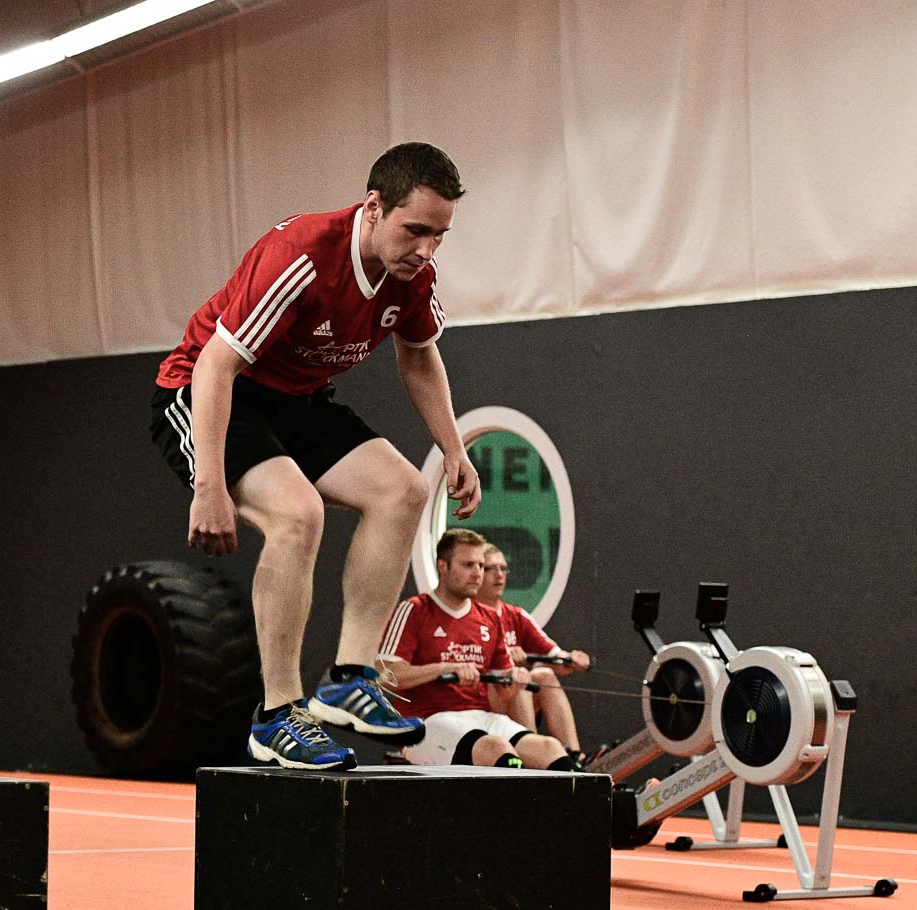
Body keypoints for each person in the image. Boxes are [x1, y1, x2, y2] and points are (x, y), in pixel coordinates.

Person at [150, 142, 480, 770]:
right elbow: (216, 366)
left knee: (404, 492)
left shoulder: (415, 274)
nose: (426, 250)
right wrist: (210, 485)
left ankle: (349, 680)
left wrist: (452, 444)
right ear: (374, 207)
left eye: (440, 236)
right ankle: (276, 716)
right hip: (207, 391)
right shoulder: (300, 256)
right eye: (415, 230)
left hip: (295, 398)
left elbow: (417, 355)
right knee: (298, 514)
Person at [378, 529, 577, 771]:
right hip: (426, 722)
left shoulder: (489, 618)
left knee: (551, 749)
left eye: (481, 566)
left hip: (481, 718)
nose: (477, 574)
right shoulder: (414, 610)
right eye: (468, 565)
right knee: (497, 750)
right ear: (443, 566)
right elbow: (386, 675)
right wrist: (444, 668)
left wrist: (513, 682)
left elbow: (502, 695)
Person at [477, 544, 594, 764]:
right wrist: (505, 662)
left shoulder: (516, 615)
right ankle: (535, 757)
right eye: (492, 569)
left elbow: (555, 656)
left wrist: (572, 659)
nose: (499, 575)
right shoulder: (470, 614)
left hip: (513, 698)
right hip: (483, 702)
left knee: (544, 675)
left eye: (503, 569)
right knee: (520, 676)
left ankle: (574, 755)